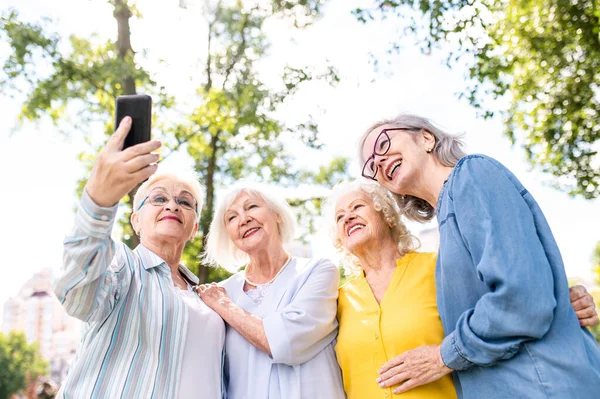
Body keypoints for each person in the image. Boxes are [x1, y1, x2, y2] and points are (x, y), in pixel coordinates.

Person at [358, 114, 600, 398]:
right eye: (372, 165)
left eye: (384, 144)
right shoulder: (447, 222)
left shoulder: (471, 175)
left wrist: (442, 357)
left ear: (426, 138)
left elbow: (522, 298)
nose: (380, 161)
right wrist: (561, 297)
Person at [327, 179, 598, 399]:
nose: (347, 217)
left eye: (357, 207)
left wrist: (564, 300)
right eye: (339, 217)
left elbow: (512, 300)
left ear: (386, 214)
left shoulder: (441, 268)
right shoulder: (334, 299)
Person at [54, 117, 225, 398]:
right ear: (136, 221)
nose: (172, 204)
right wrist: (98, 201)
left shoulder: (206, 296)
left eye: (184, 201)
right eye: (159, 199)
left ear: (194, 228)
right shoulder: (121, 266)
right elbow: (75, 293)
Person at [198, 183, 345, 399]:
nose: (244, 219)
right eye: (232, 217)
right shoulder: (224, 290)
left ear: (277, 214)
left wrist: (226, 307)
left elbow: (285, 342)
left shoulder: (316, 272)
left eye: (252, 207)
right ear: (228, 234)